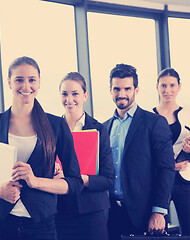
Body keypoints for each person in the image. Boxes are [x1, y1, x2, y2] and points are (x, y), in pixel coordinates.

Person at [0, 56, 83, 240]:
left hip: (41, 228)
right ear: (9, 82)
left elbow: (75, 183)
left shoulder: (57, 126)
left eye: (32, 80)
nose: (26, 86)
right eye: (19, 80)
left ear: (39, 82)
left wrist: (36, 181)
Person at [103, 63, 176, 240]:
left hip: (144, 213)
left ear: (136, 89)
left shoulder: (154, 123)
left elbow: (166, 168)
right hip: (110, 213)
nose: (121, 94)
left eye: (127, 88)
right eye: (117, 89)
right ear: (110, 90)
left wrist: (159, 211)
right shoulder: (104, 127)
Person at [54, 72, 114, 240]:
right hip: (59, 212)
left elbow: (108, 179)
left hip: (91, 212)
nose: (69, 99)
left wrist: (78, 179)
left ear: (85, 95)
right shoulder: (52, 130)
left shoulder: (99, 130)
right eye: (64, 94)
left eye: (75, 94)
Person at [153, 68, 190, 240]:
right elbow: (144, 157)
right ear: (157, 87)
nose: (167, 90)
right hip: (159, 183)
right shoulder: (149, 117)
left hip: (186, 183)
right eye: (163, 85)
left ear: (179, 87)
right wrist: (169, 166)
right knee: (158, 233)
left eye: (172, 85)